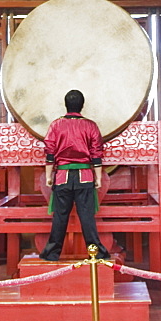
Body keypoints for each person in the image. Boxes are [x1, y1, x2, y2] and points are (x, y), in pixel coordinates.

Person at [39, 89, 109, 261]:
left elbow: (50, 152)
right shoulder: (90, 126)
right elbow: (96, 154)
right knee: (86, 216)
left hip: (62, 175)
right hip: (85, 175)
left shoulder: (56, 125)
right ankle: (96, 252)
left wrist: (49, 176)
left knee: (60, 216)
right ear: (82, 105)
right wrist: (98, 178)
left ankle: (52, 253)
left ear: (66, 104)